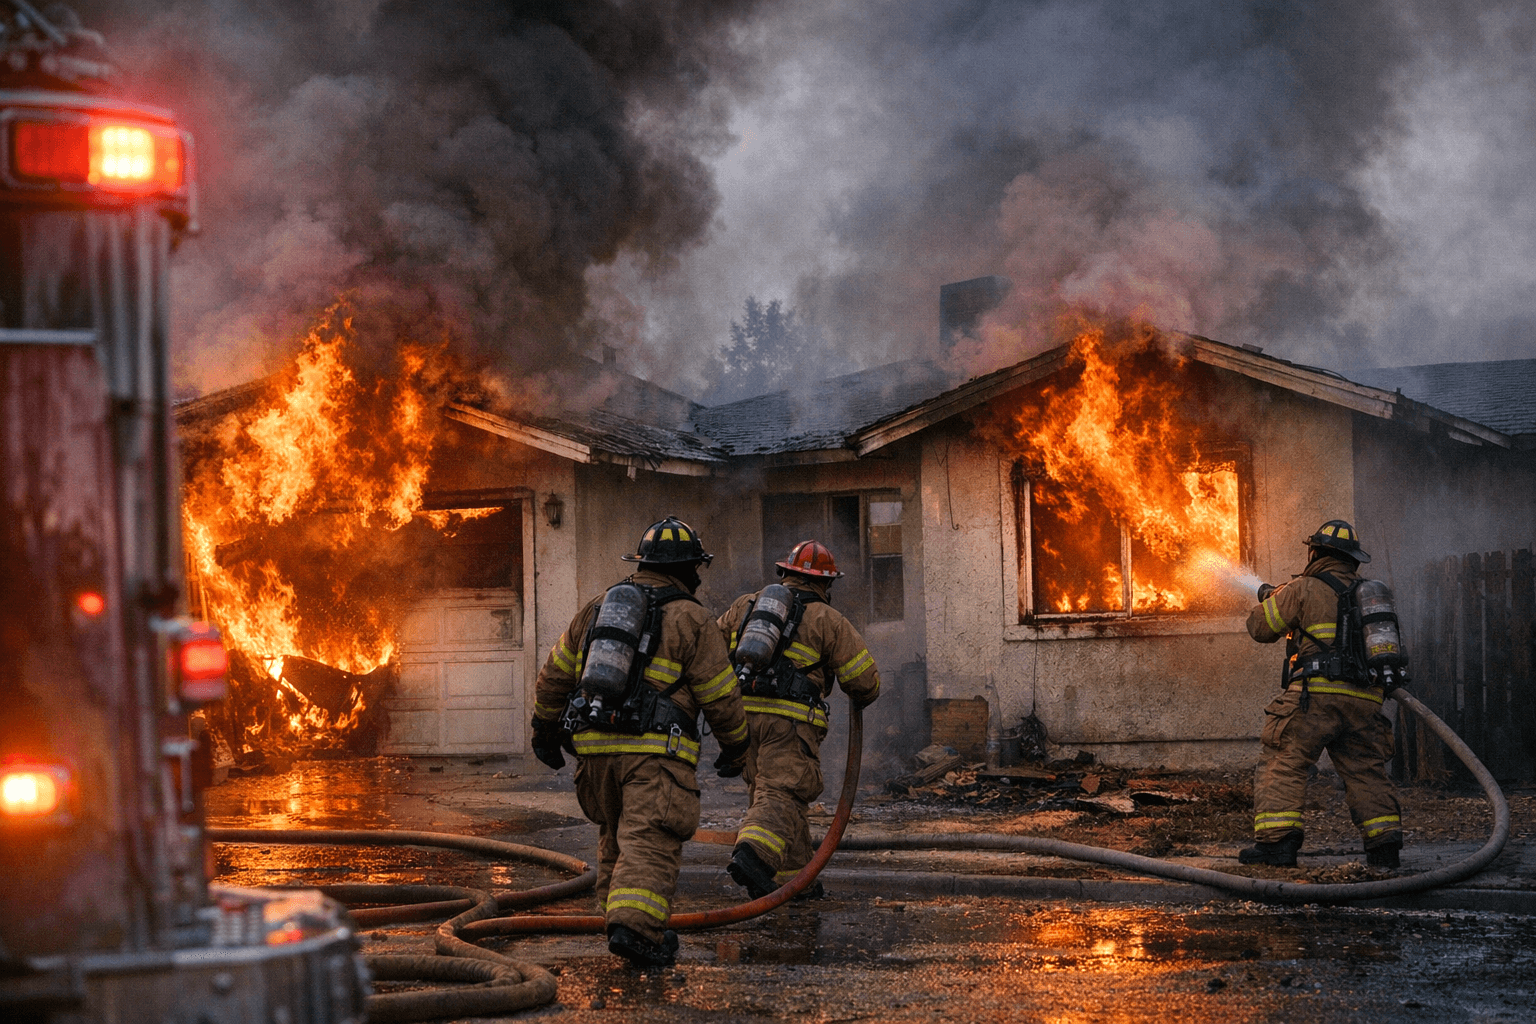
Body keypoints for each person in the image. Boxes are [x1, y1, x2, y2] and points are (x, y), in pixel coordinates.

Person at [529, 516, 749, 968]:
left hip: (593, 758)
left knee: (615, 839)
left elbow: (554, 675)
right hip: (654, 759)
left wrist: (543, 730)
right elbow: (720, 694)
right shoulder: (692, 618)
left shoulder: (597, 609)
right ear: (689, 568)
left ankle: (619, 921)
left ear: (642, 563)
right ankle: (638, 929)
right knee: (649, 841)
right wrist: (736, 745)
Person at [717, 540, 881, 900]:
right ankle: (752, 856)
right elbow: (864, 682)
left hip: (741, 719)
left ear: (785, 573)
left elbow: (711, 655)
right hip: (789, 724)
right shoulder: (828, 620)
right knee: (783, 791)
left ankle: (794, 879)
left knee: (772, 794)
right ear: (825, 584)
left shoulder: (745, 606)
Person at [1241, 520, 1404, 869]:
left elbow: (1259, 627)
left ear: (1314, 552)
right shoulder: (1370, 596)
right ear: (1353, 560)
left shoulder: (1303, 588)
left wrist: (1279, 598)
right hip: (1366, 700)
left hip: (1316, 697)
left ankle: (1277, 846)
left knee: (1284, 760)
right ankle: (1385, 848)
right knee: (1367, 772)